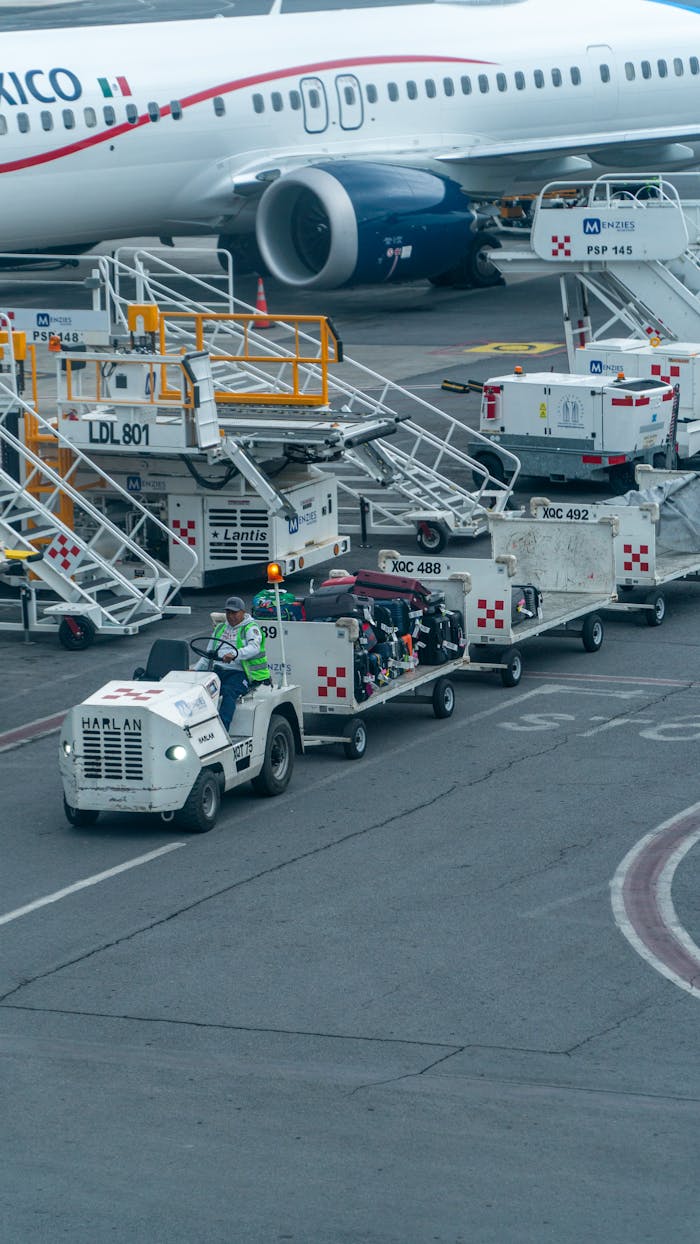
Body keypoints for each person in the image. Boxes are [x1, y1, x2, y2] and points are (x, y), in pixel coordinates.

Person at [194, 595, 271, 731]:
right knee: (199, 690)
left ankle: (223, 730)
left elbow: (254, 648)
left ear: (242, 612)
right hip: (219, 669)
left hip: (241, 672)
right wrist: (195, 671)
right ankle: (198, 728)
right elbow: (208, 654)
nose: (231, 616)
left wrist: (235, 654)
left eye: (234, 613)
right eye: (228, 613)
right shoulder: (220, 629)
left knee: (229, 691)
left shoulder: (250, 628)